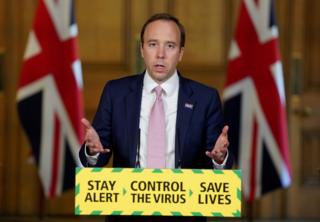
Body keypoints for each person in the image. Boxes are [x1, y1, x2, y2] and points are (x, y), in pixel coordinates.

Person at [79, 13, 232, 222]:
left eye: (170, 46)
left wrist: (220, 159)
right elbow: (99, 157)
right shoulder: (116, 92)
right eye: (152, 44)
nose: (160, 54)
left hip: (184, 215)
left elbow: (219, 161)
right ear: (142, 49)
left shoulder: (206, 98)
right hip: (127, 213)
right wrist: (92, 152)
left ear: (181, 53)